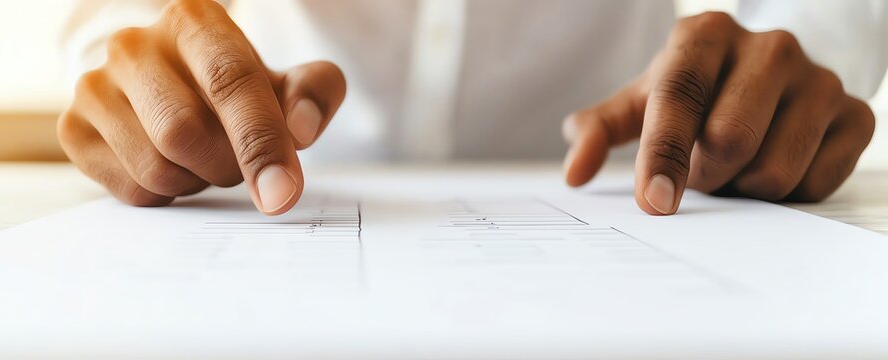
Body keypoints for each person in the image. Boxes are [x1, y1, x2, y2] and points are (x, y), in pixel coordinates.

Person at [58, 0, 884, 216]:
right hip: (256, 191)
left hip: (624, 189)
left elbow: (815, 15)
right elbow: (118, 21)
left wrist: (791, 56)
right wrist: (136, 65)